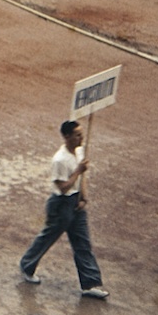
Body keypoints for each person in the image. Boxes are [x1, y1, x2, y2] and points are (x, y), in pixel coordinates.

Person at [19, 119, 109, 298]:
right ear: (66, 137)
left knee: (83, 243)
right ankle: (27, 265)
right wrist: (78, 170)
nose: (81, 138)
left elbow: (83, 178)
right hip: (61, 204)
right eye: (77, 135)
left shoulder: (80, 150)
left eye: (81, 134)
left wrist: (84, 196)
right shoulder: (59, 160)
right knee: (48, 237)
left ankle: (90, 284)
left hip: (75, 201)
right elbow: (63, 187)